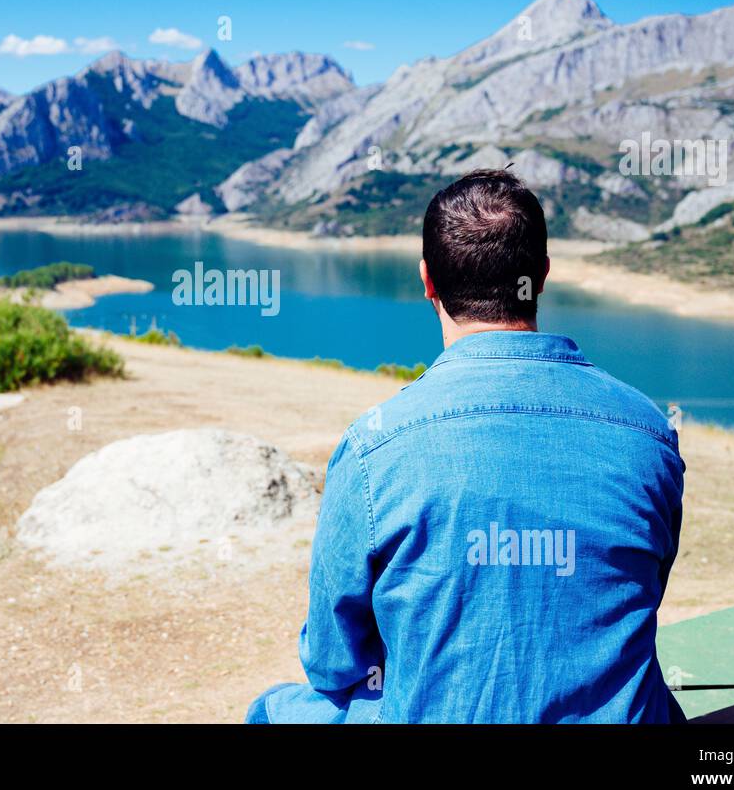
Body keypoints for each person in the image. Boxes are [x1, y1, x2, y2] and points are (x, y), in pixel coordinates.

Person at [247, 169, 685, 723]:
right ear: (542, 275)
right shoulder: (648, 431)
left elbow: (332, 663)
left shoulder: (373, 448)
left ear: (427, 280)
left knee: (272, 711)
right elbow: (645, 583)